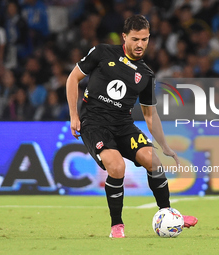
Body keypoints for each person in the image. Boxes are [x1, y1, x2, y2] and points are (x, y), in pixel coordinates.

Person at [66, 14, 198, 238]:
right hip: (95, 123)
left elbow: (150, 114)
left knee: (153, 159)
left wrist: (164, 145)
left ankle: (169, 214)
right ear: (124, 37)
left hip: (123, 124)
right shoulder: (101, 52)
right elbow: (72, 79)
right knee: (117, 167)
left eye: (145, 40)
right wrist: (73, 115)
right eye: (136, 39)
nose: (140, 45)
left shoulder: (146, 74)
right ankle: (116, 225)